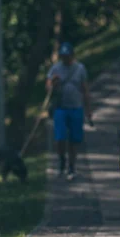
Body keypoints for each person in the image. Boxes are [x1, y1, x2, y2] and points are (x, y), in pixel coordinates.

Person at [46, 42, 92, 181]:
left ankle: (72, 166)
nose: (65, 59)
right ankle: (61, 161)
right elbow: (47, 87)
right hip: (60, 108)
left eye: (67, 56)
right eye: (63, 56)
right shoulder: (56, 68)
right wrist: (52, 83)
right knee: (60, 137)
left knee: (74, 139)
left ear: (72, 55)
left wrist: (88, 109)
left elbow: (85, 90)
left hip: (76, 108)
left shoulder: (80, 69)